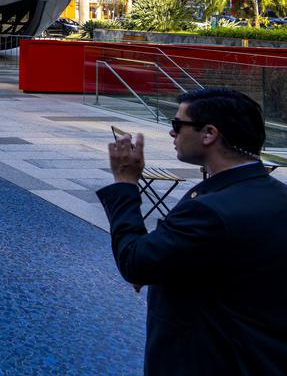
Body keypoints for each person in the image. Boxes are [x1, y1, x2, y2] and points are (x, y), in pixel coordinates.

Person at [98, 88, 287, 374]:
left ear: (209, 133)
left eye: (177, 125)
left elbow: (135, 263)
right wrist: (163, 263)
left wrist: (125, 183)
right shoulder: (275, 194)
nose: (172, 134)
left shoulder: (209, 209)